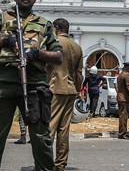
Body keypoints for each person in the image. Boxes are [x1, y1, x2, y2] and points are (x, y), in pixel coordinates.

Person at [0, 0, 63, 171]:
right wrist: (5, 40)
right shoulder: (1, 19)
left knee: (41, 138)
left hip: (34, 84)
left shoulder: (44, 24)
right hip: (3, 83)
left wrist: (37, 53)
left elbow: (58, 56)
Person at [47, 18, 84, 171]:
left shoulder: (53, 43)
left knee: (49, 128)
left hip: (55, 88)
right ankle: (60, 164)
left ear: (56, 28)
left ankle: (45, 163)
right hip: (70, 90)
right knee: (64, 129)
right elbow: (79, 73)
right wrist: (78, 89)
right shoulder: (77, 46)